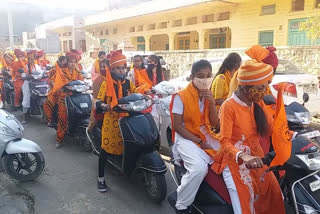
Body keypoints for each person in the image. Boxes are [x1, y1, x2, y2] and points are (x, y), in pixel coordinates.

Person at [212, 58, 285, 214]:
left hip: (258, 160)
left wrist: (291, 135)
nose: (265, 92)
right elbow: (224, 142)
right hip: (234, 163)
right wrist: (243, 157)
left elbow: (273, 129)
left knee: (275, 194)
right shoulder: (228, 106)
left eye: (266, 87)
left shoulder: (256, 104)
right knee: (245, 206)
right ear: (245, 88)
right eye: (261, 88)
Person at [170, 60, 220, 214]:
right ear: (192, 77)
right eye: (200, 76)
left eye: (208, 76)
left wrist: (212, 102)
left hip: (204, 133)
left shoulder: (208, 94)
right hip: (186, 136)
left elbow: (214, 122)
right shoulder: (181, 96)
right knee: (199, 168)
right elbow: (177, 126)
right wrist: (199, 142)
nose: (205, 79)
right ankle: (181, 204)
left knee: (227, 155)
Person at [95, 50, 137, 192]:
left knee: (128, 144)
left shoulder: (128, 83)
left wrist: (146, 96)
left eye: (123, 67)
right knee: (105, 148)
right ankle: (100, 178)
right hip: (111, 120)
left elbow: (136, 94)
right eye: (118, 68)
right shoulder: (106, 83)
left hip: (127, 117)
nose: (121, 70)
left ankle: (124, 168)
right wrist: (103, 105)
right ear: (112, 69)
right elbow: (99, 100)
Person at [53, 52, 84, 148]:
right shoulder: (62, 72)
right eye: (71, 62)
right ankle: (59, 139)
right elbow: (57, 86)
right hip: (64, 98)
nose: (73, 64)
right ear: (67, 62)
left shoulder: (77, 73)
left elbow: (82, 82)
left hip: (76, 97)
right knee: (63, 119)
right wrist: (63, 88)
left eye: (75, 62)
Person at [43, 55, 67, 127]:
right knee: (49, 103)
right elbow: (51, 81)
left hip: (66, 90)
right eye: (63, 62)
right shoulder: (53, 70)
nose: (64, 63)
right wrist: (57, 87)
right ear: (60, 61)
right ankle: (50, 120)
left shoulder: (66, 69)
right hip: (55, 90)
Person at [87, 58, 109, 132]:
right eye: (101, 67)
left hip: (110, 104)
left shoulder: (113, 78)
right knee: (93, 123)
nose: (103, 69)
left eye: (105, 67)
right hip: (99, 103)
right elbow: (96, 97)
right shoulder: (98, 80)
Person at [21, 50, 42, 123]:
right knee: (26, 99)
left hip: (37, 84)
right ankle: (24, 117)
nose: (32, 60)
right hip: (27, 84)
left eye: (33, 59)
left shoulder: (37, 66)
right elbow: (23, 76)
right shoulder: (25, 67)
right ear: (28, 60)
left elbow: (41, 74)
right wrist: (27, 76)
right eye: (30, 59)